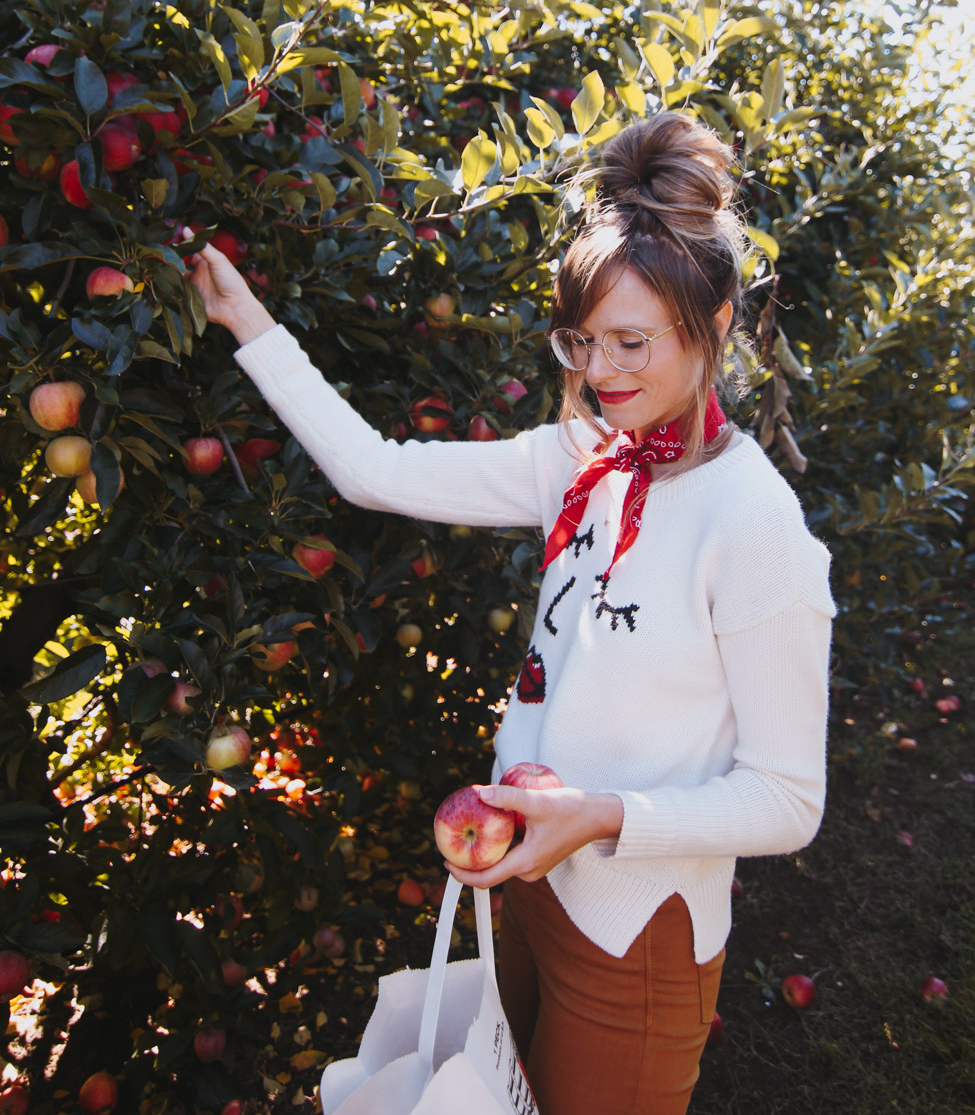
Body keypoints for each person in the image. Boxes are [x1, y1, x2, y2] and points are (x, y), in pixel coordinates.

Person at [185, 109, 836, 1115]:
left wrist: (603, 818)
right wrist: (248, 323)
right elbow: (374, 472)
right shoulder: (579, 462)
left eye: (629, 342)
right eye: (582, 342)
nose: (600, 374)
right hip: (525, 894)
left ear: (709, 328)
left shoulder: (752, 525)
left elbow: (790, 801)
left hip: (636, 937)